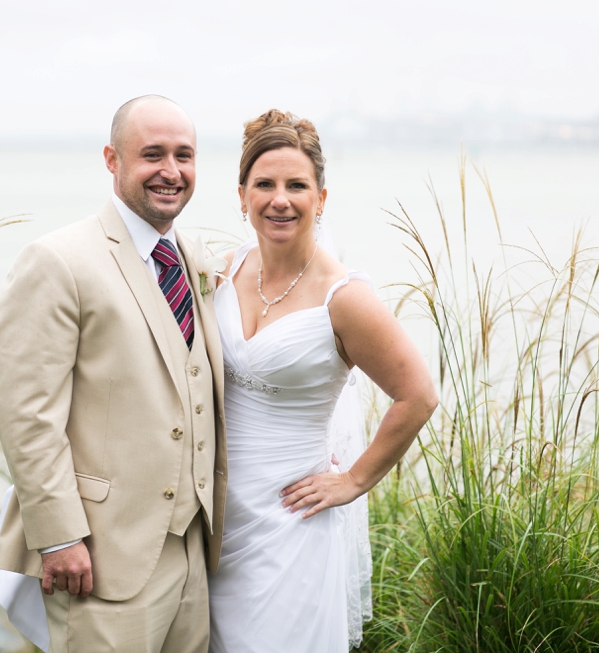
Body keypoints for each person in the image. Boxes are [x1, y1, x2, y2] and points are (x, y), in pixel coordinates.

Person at [0, 95, 227, 653]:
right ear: (111, 159)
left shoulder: (196, 258)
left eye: (184, 156)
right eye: (152, 154)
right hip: (99, 555)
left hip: (194, 552)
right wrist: (59, 536)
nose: (171, 171)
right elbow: (27, 416)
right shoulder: (57, 260)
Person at [207, 110, 438, 652]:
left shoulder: (345, 296)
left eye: (296, 185)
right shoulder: (219, 272)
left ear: (321, 199)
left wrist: (354, 481)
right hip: (217, 526)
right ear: (241, 196)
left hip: (290, 522)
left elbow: (419, 394)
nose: (279, 199)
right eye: (264, 184)